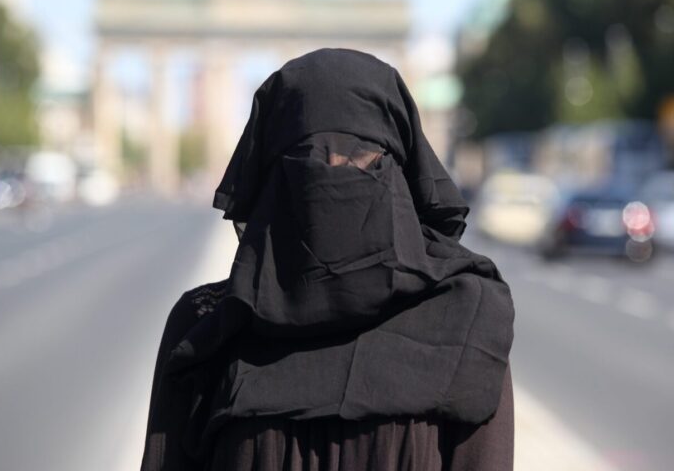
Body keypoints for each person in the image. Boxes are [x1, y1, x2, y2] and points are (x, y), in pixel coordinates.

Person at [140, 48, 515, 471]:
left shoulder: (467, 327)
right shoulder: (204, 334)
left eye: (360, 160)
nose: (333, 175)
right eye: (309, 160)